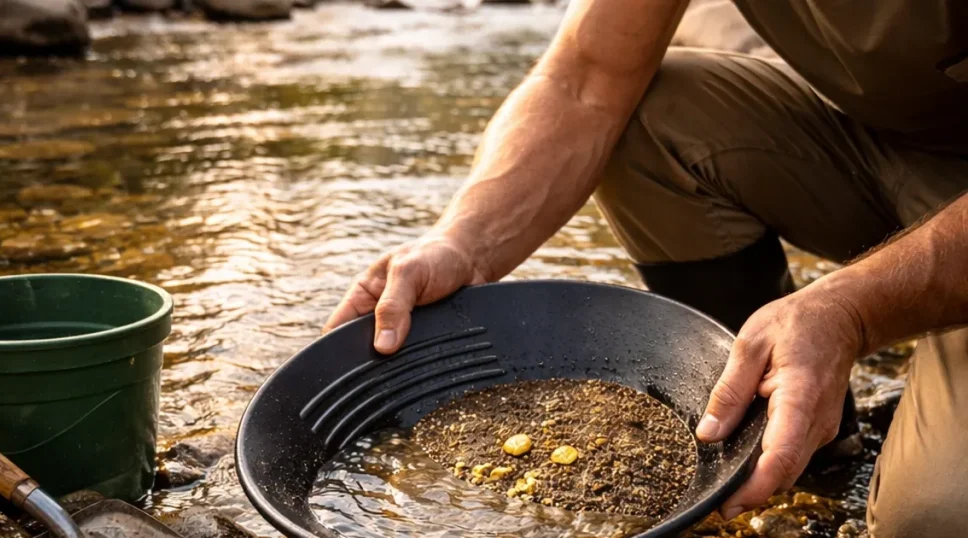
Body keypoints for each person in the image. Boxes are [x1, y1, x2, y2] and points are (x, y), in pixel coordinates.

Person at [323, 1, 968, 535]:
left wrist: (851, 309)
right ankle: (799, 449)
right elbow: (584, 78)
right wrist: (464, 240)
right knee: (652, 117)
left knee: (934, 519)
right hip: (890, 146)